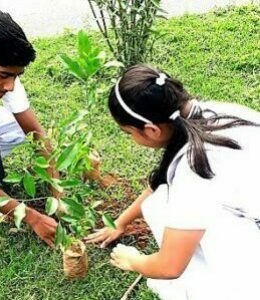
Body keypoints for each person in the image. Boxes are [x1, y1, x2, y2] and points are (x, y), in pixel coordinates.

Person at [85, 64, 260, 300]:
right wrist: (121, 222)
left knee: (160, 209)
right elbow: (161, 182)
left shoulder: (195, 172)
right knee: (160, 202)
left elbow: (169, 267)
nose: (131, 139)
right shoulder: (216, 112)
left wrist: (133, 260)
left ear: (152, 130)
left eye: (129, 133)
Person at [0, 11, 63, 247]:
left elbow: (35, 132)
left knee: (14, 125)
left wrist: (58, 192)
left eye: (17, 76)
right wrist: (31, 217)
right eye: (4, 75)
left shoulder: (4, 73)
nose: (10, 85)